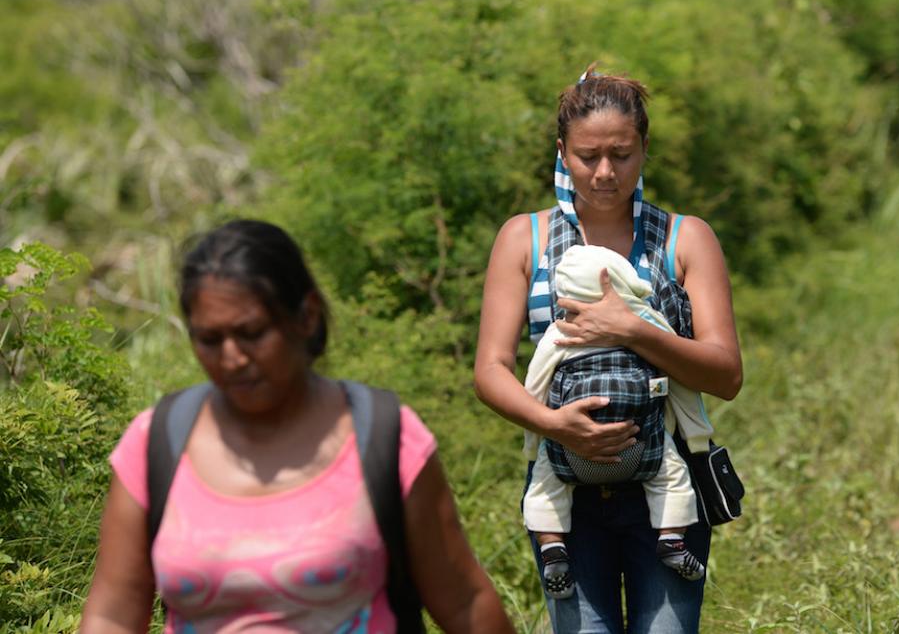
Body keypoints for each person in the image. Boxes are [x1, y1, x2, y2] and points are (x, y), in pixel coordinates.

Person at [81, 220, 515, 633]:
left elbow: (464, 603)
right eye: (209, 340)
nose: (232, 358)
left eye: (252, 333)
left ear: (305, 316)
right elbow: (113, 617)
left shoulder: (383, 436)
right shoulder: (154, 444)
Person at [474, 65, 742, 632]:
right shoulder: (525, 239)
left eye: (621, 154)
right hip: (565, 491)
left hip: (668, 491)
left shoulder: (684, 239)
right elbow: (491, 370)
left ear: (645, 148)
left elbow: (726, 374)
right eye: (587, 155)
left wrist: (633, 329)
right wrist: (556, 425)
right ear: (562, 152)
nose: (603, 172)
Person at [522, 243, 713, 599]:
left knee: (545, 484)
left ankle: (552, 548)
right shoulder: (645, 321)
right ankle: (671, 539)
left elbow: (535, 383)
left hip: (568, 448)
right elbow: (682, 386)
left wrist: (539, 435)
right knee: (672, 475)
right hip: (644, 444)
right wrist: (697, 434)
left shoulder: (561, 331)